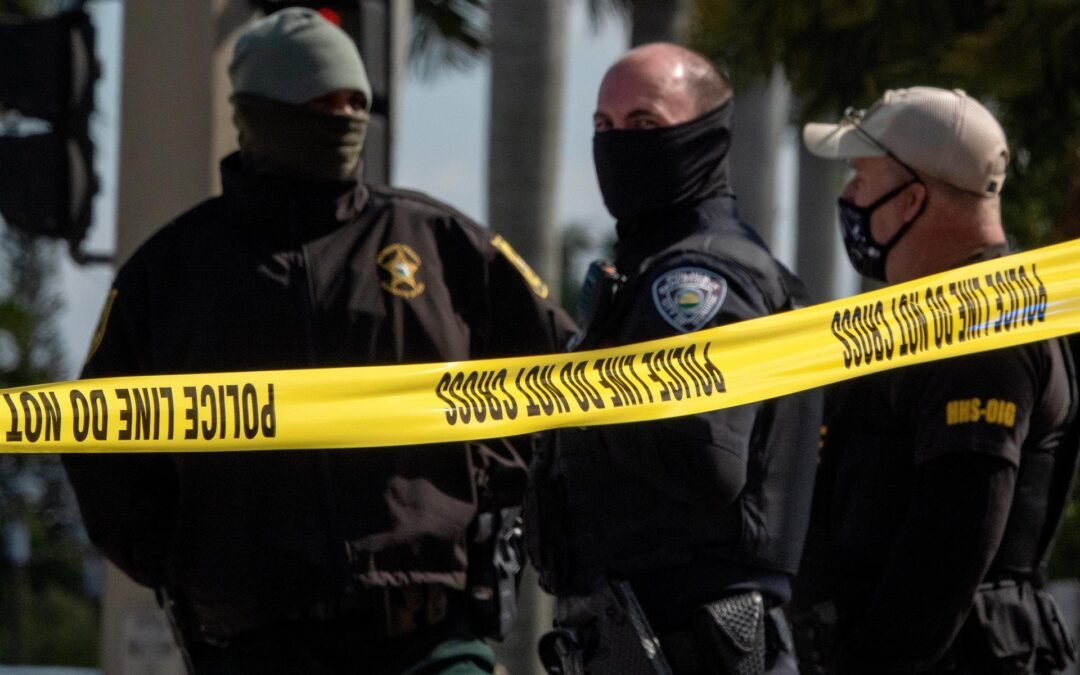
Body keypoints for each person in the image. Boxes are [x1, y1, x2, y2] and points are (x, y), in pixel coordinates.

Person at [62, 8, 574, 674]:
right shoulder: (173, 272)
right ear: (256, 113)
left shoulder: (437, 244)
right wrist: (184, 560)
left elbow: (562, 380)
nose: (344, 120)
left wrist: (481, 487)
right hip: (255, 647)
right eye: (320, 106)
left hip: (428, 644)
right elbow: (98, 436)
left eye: (355, 105)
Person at [526, 43, 822, 675]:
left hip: (692, 641)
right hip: (636, 637)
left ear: (706, 133)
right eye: (604, 124)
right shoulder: (646, 272)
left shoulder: (700, 277)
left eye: (644, 123)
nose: (617, 142)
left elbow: (705, 456)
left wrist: (584, 396)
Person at [791, 86, 1079, 674]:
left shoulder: (985, 327)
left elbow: (949, 550)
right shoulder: (924, 318)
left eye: (860, 178)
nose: (847, 196)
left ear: (910, 200)